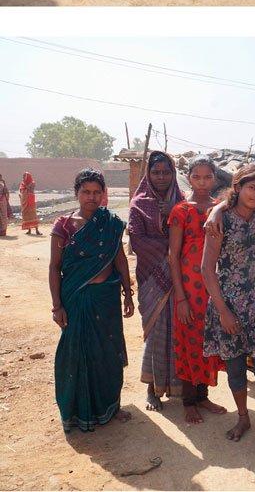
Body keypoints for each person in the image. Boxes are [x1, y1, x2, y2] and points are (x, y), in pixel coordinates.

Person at [201, 165, 255, 449]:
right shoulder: (220, 220)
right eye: (252, 188)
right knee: (235, 368)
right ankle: (243, 417)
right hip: (227, 306)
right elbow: (207, 269)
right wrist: (223, 311)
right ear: (238, 186)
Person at [51, 169, 135, 432]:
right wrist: (57, 305)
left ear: (103, 194)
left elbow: (119, 259)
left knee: (108, 353)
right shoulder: (63, 226)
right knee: (75, 355)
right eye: (86, 192)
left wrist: (128, 293)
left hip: (106, 298)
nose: (91, 197)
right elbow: (55, 268)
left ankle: (112, 405)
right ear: (76, 193)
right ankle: (76, 411)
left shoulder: (110, 223)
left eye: (97, 192)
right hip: (75, 299)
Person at [166, 156, 227, 425]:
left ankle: (202, 396)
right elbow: (173, 255)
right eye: (197, 177)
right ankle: (189, 401)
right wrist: (180, 297)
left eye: (207, 177)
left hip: (213, 286)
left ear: (214, 178)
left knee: (209, 341)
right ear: (189, 178)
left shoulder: (219, 209)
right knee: (189, 340)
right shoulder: (181, 210)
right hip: (190, 288)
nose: (202, 182)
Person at [128, 150, 184, 412]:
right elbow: (137, 241)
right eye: (156, 172)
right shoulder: (138, 204)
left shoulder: (183, 202)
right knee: (156, 332)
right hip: (153, 277)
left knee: (180, 330)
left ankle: (181, 387)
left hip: (181, 278)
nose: (161, 177)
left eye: (166, 172)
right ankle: (153, 390)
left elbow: (196, 234)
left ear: (173, 174)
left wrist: (175, 212)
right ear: (148, 175)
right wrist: (170, 247)